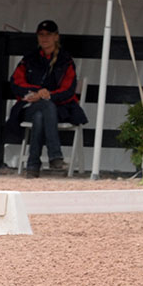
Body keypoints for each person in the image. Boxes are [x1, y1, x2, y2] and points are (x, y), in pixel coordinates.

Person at [7, 19, 88, 178]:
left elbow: (68, 89)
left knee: (42, 113)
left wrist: (48, 95)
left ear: (56, 37)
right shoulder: (29, 58)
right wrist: (37, 92)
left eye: (48, 35)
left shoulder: (66, 60)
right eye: (41, 35)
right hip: (30, 105)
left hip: (59, 108)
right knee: (44, 108)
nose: (44, 38)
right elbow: (15, 82)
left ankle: (33, 165)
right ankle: (54, 156)